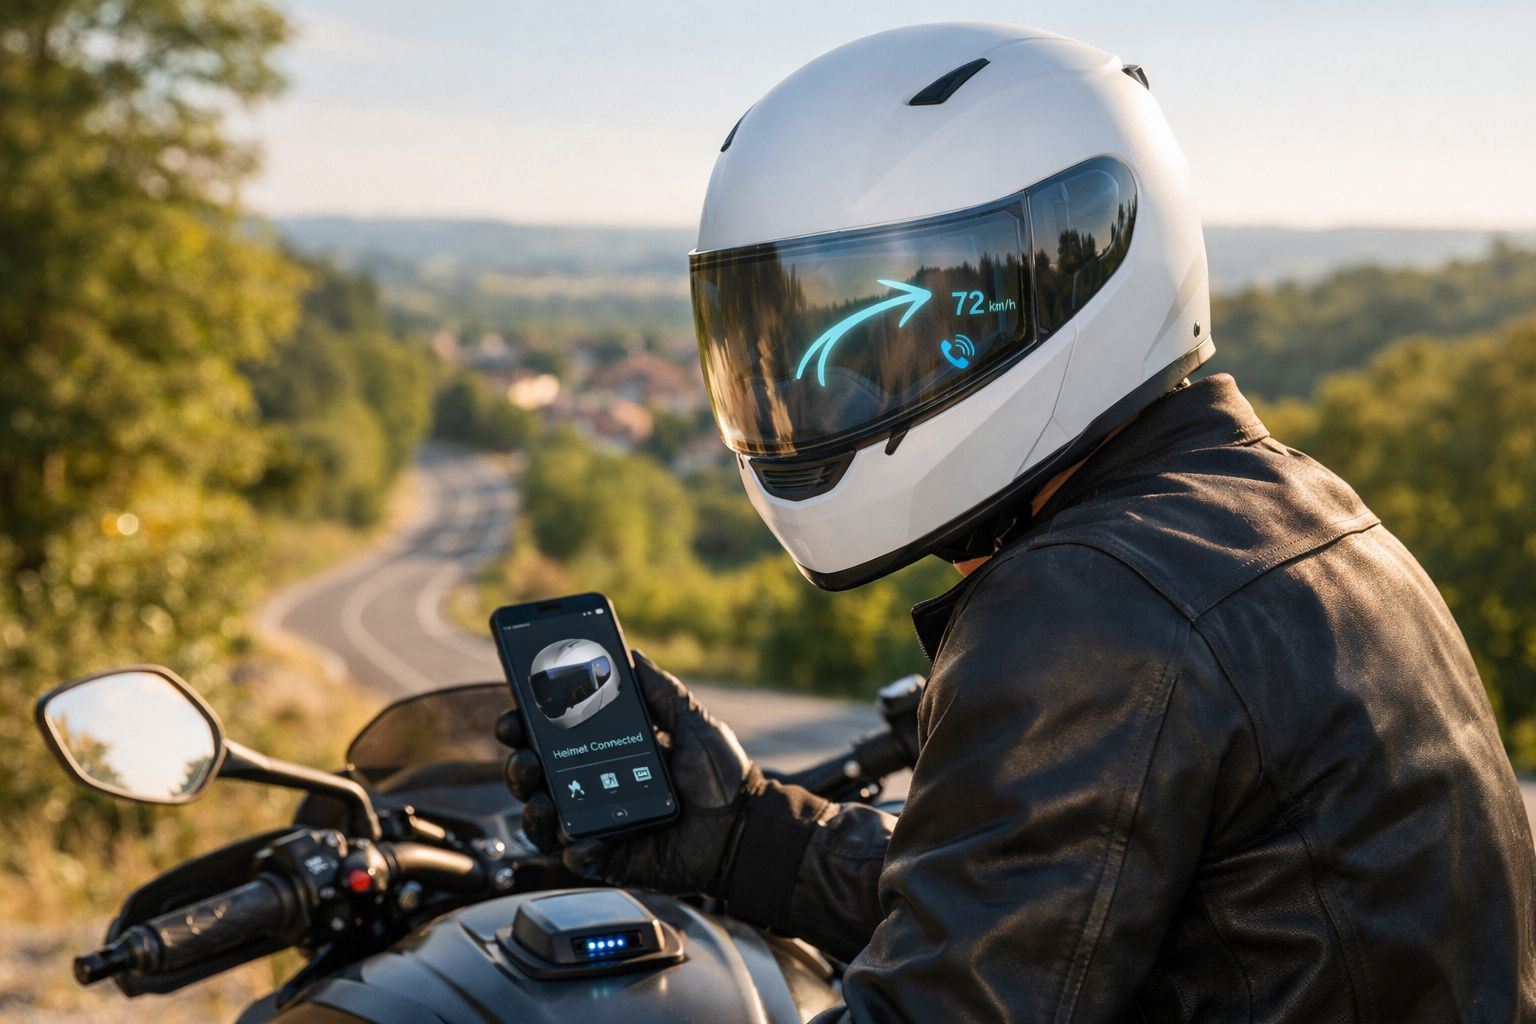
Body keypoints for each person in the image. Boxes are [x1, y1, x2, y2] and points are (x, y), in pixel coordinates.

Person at [498, 23, 1536, 1021]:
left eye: (896, 323)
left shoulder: (1090, 606)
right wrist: (741, 836)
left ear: (1070, 265)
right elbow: (1052, 919)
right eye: (790, 337)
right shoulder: (1299, 511)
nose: (829, 380)